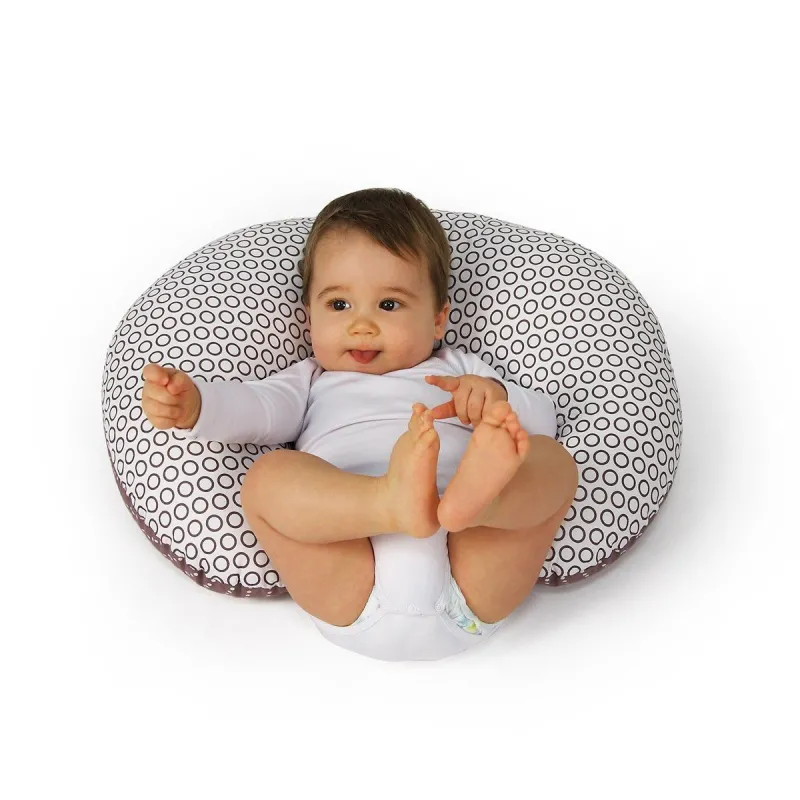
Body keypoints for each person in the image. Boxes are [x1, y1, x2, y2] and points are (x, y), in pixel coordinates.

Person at [140, 187, 578, 661]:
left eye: (389, 305)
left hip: (469, 563)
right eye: (339, 306)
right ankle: (386, 502)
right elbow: (256, 408)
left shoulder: (459, 370)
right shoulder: (311, 382)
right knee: (266, 478)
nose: (362, 325)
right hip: (352, 577)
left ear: (437, 321)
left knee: (553, 462)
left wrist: (494, 401)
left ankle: (482, 504)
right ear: (308, 319)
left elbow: (542, 420)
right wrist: (199, 405)